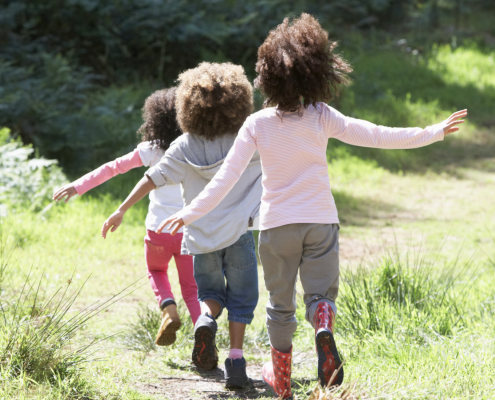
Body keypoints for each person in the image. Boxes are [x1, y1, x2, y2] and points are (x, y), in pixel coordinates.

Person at [158, 14, 467, 399]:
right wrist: (433, 132)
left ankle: (282, 380)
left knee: (279, 307)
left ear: (266, 75)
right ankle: (322, 321)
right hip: (321, 221)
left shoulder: (256, 124)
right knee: (320, 295)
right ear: (315, 72)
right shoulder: (322, 116)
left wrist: (190, 212)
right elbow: (376, 134)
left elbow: (225, 179)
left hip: (276, 228)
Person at [101, 62, 262, 389]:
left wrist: (120, 209)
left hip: (200, 238)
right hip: (239, 235)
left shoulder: (184, 145)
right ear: (238, 100)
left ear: (188, 104)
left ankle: (205, 321)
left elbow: (150, 179)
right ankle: (235, 362)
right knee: (242, 299)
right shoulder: (245, 140)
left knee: (211, 294)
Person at [53, 88, 201, 346]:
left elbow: (113, 168)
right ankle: (204, 336)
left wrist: (78, 186)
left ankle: (168, 308)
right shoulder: (196, 148)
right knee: (191, 288)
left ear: (156, 119)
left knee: (156, 269)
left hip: (158, 231)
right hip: (189, 231)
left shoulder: (152, 150)